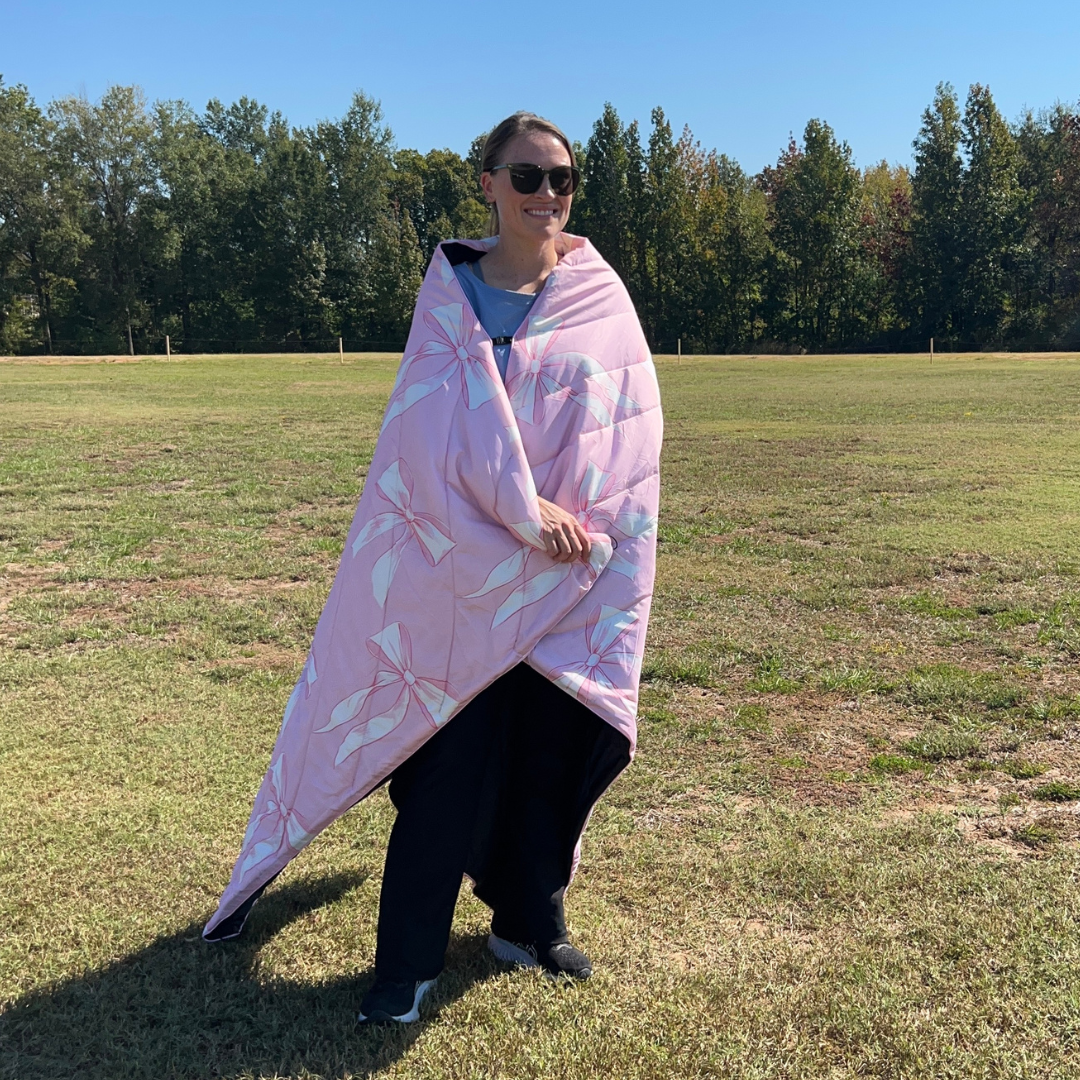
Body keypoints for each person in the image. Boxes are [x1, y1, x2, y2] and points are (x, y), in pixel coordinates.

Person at [201, 112, 662, 1027]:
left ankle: (528, 923)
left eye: (562, 179)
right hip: (455, 572)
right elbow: (422, 442)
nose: (546, 195)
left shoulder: (599, 299)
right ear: (487, 182)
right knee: (445, 764)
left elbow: (630, 431)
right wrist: (521, 515)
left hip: (564, 580)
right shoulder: (449, 298)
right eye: (526, 176)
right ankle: (405, 963)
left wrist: (571, 530)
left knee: (546, 752)